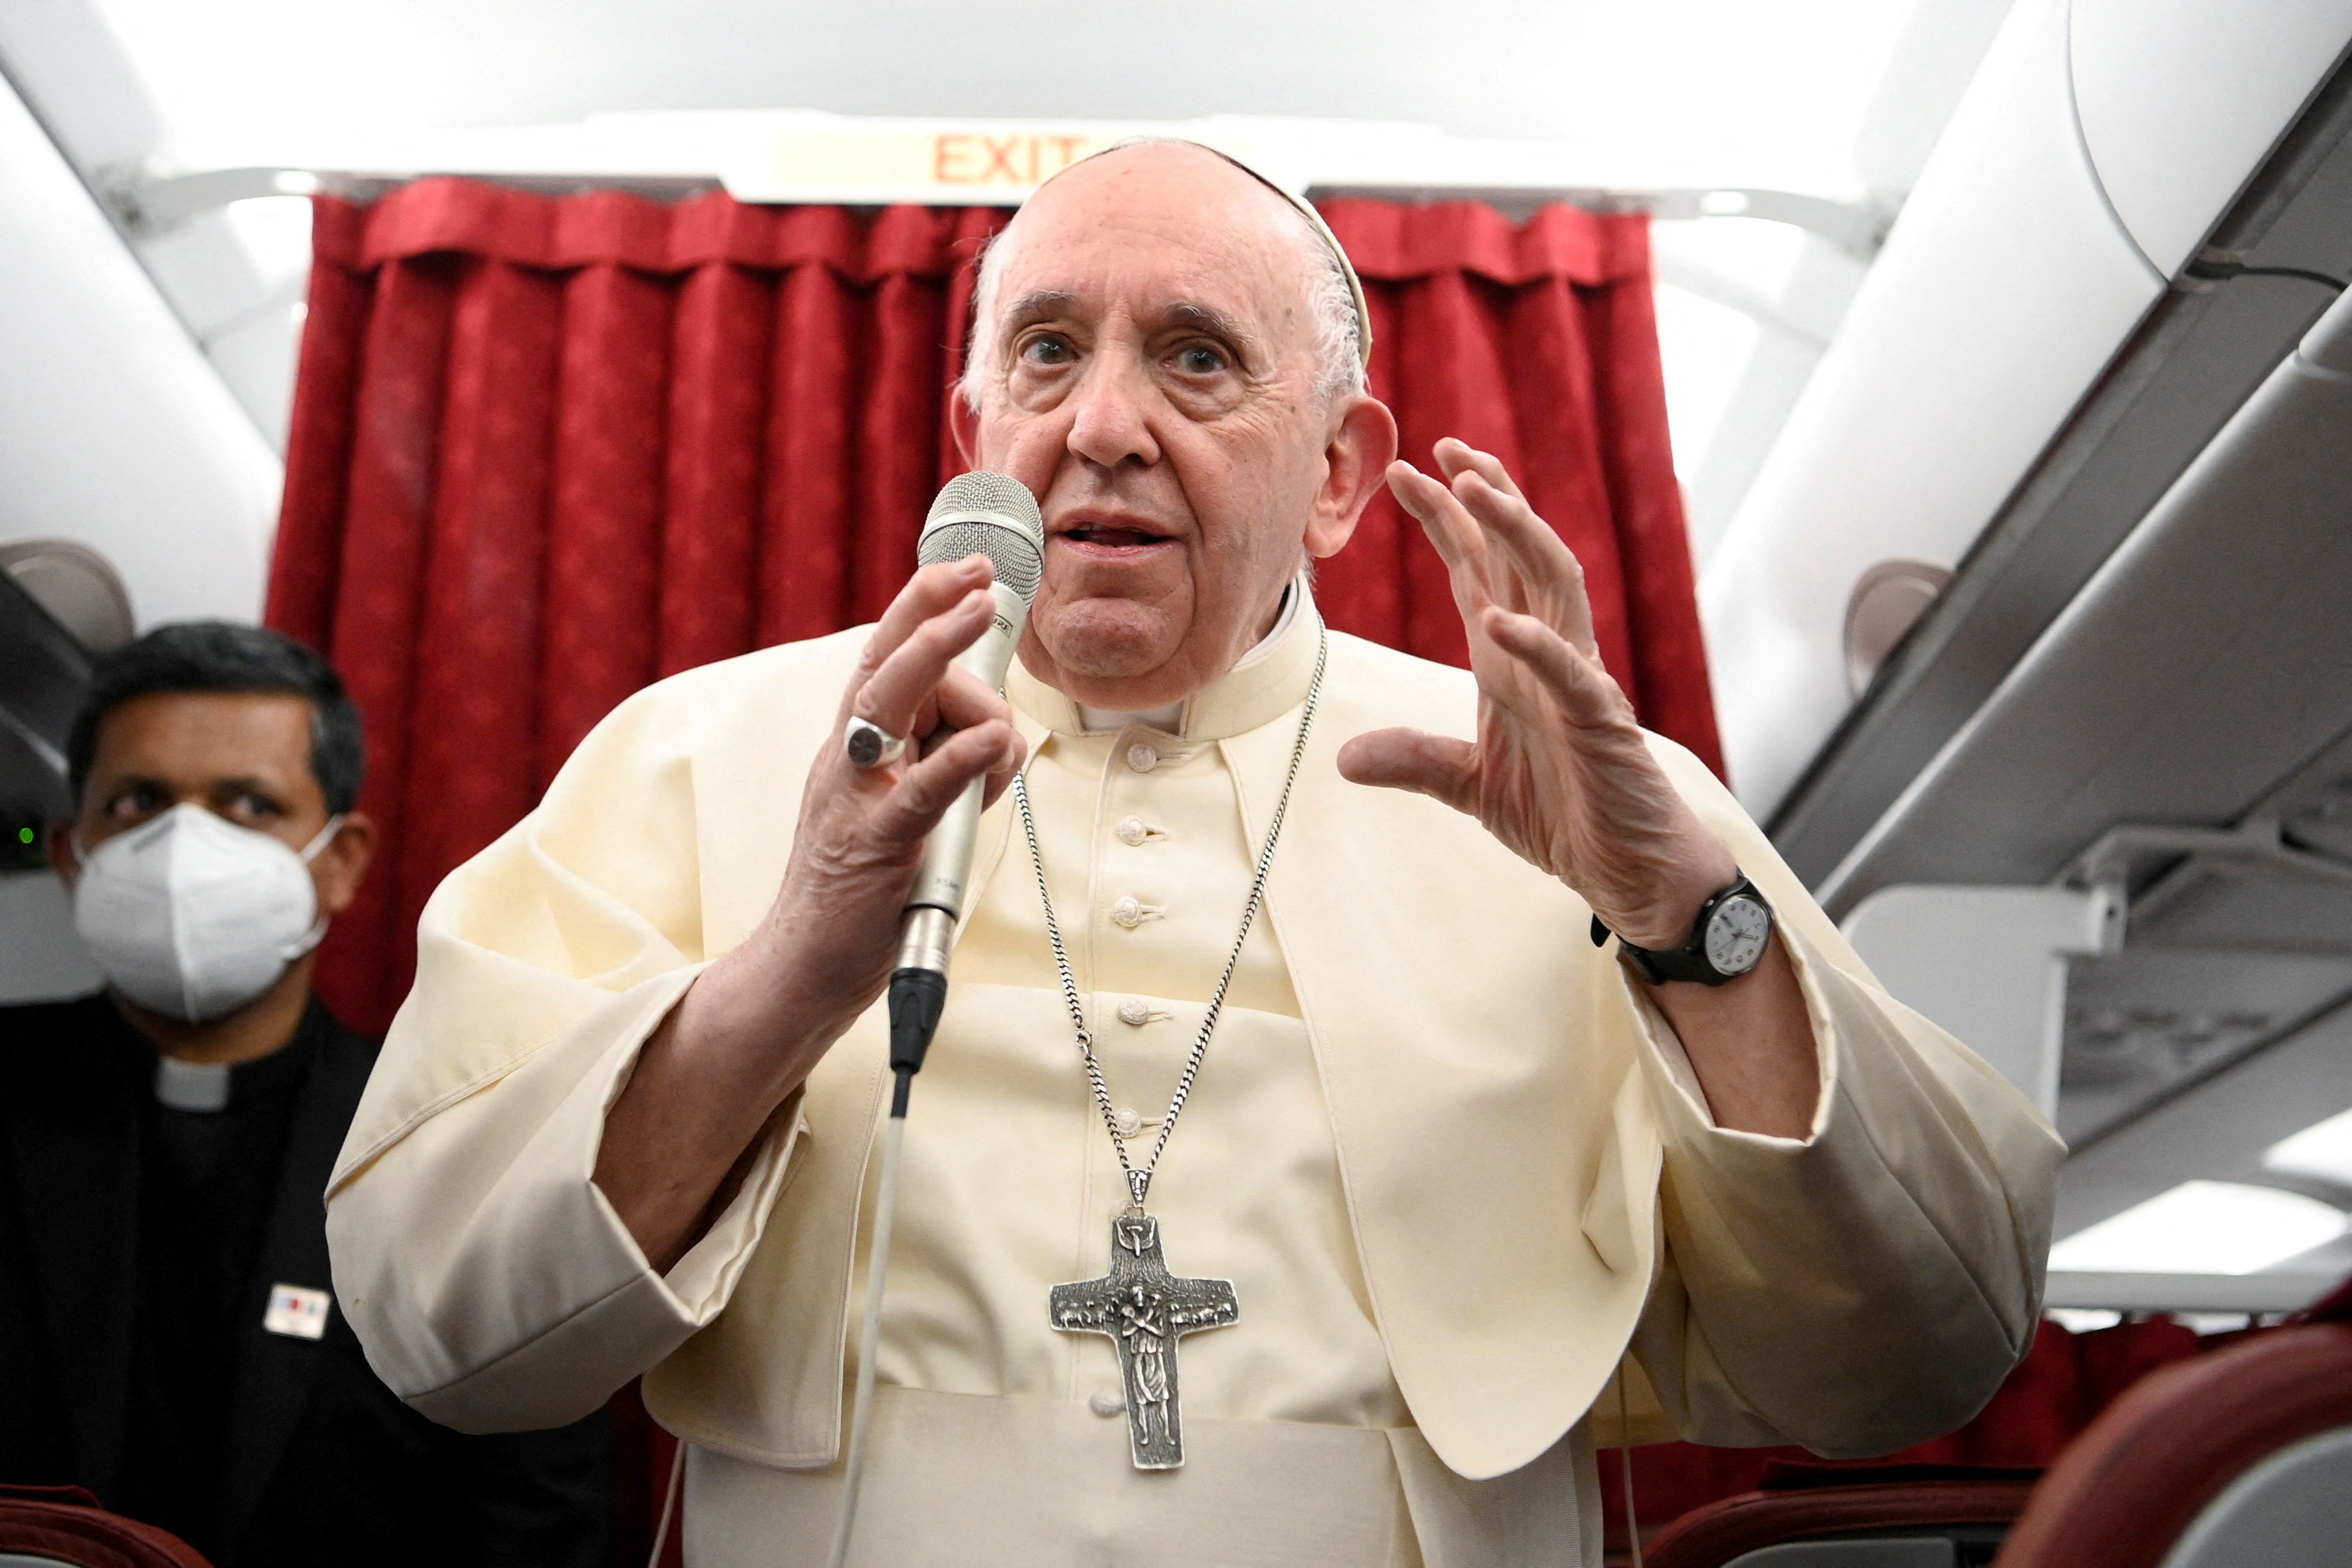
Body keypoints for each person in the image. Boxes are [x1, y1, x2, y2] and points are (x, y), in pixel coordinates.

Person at [326, 143, 2062, 1566]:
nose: (1101, 424)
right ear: (972, 439)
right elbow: (437, 1318)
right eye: (1050, 351)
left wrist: (1678, 908)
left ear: (1337, 473)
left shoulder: (1582, 788)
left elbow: (1918, 1340)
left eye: (1199, 357)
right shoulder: (699, 752)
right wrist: (798, 960)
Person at [0, 622, 616, 1568]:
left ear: (341, 860)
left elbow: (542, 1505)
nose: (183, 847)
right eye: (139, 802)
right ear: (76, 853)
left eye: (248, 804)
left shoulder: (458, 1139)